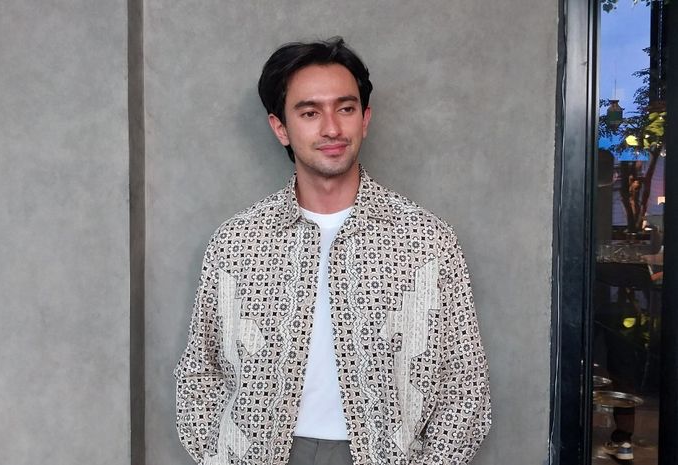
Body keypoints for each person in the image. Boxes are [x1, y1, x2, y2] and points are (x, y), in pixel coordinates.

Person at [175, 37, 492, 465]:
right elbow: (199, 373)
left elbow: (465, 386)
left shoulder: (426, 240)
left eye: (345, 109)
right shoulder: (237, 241)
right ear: (280, 128)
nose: (331, 128)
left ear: (365, 119)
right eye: (309, 113)